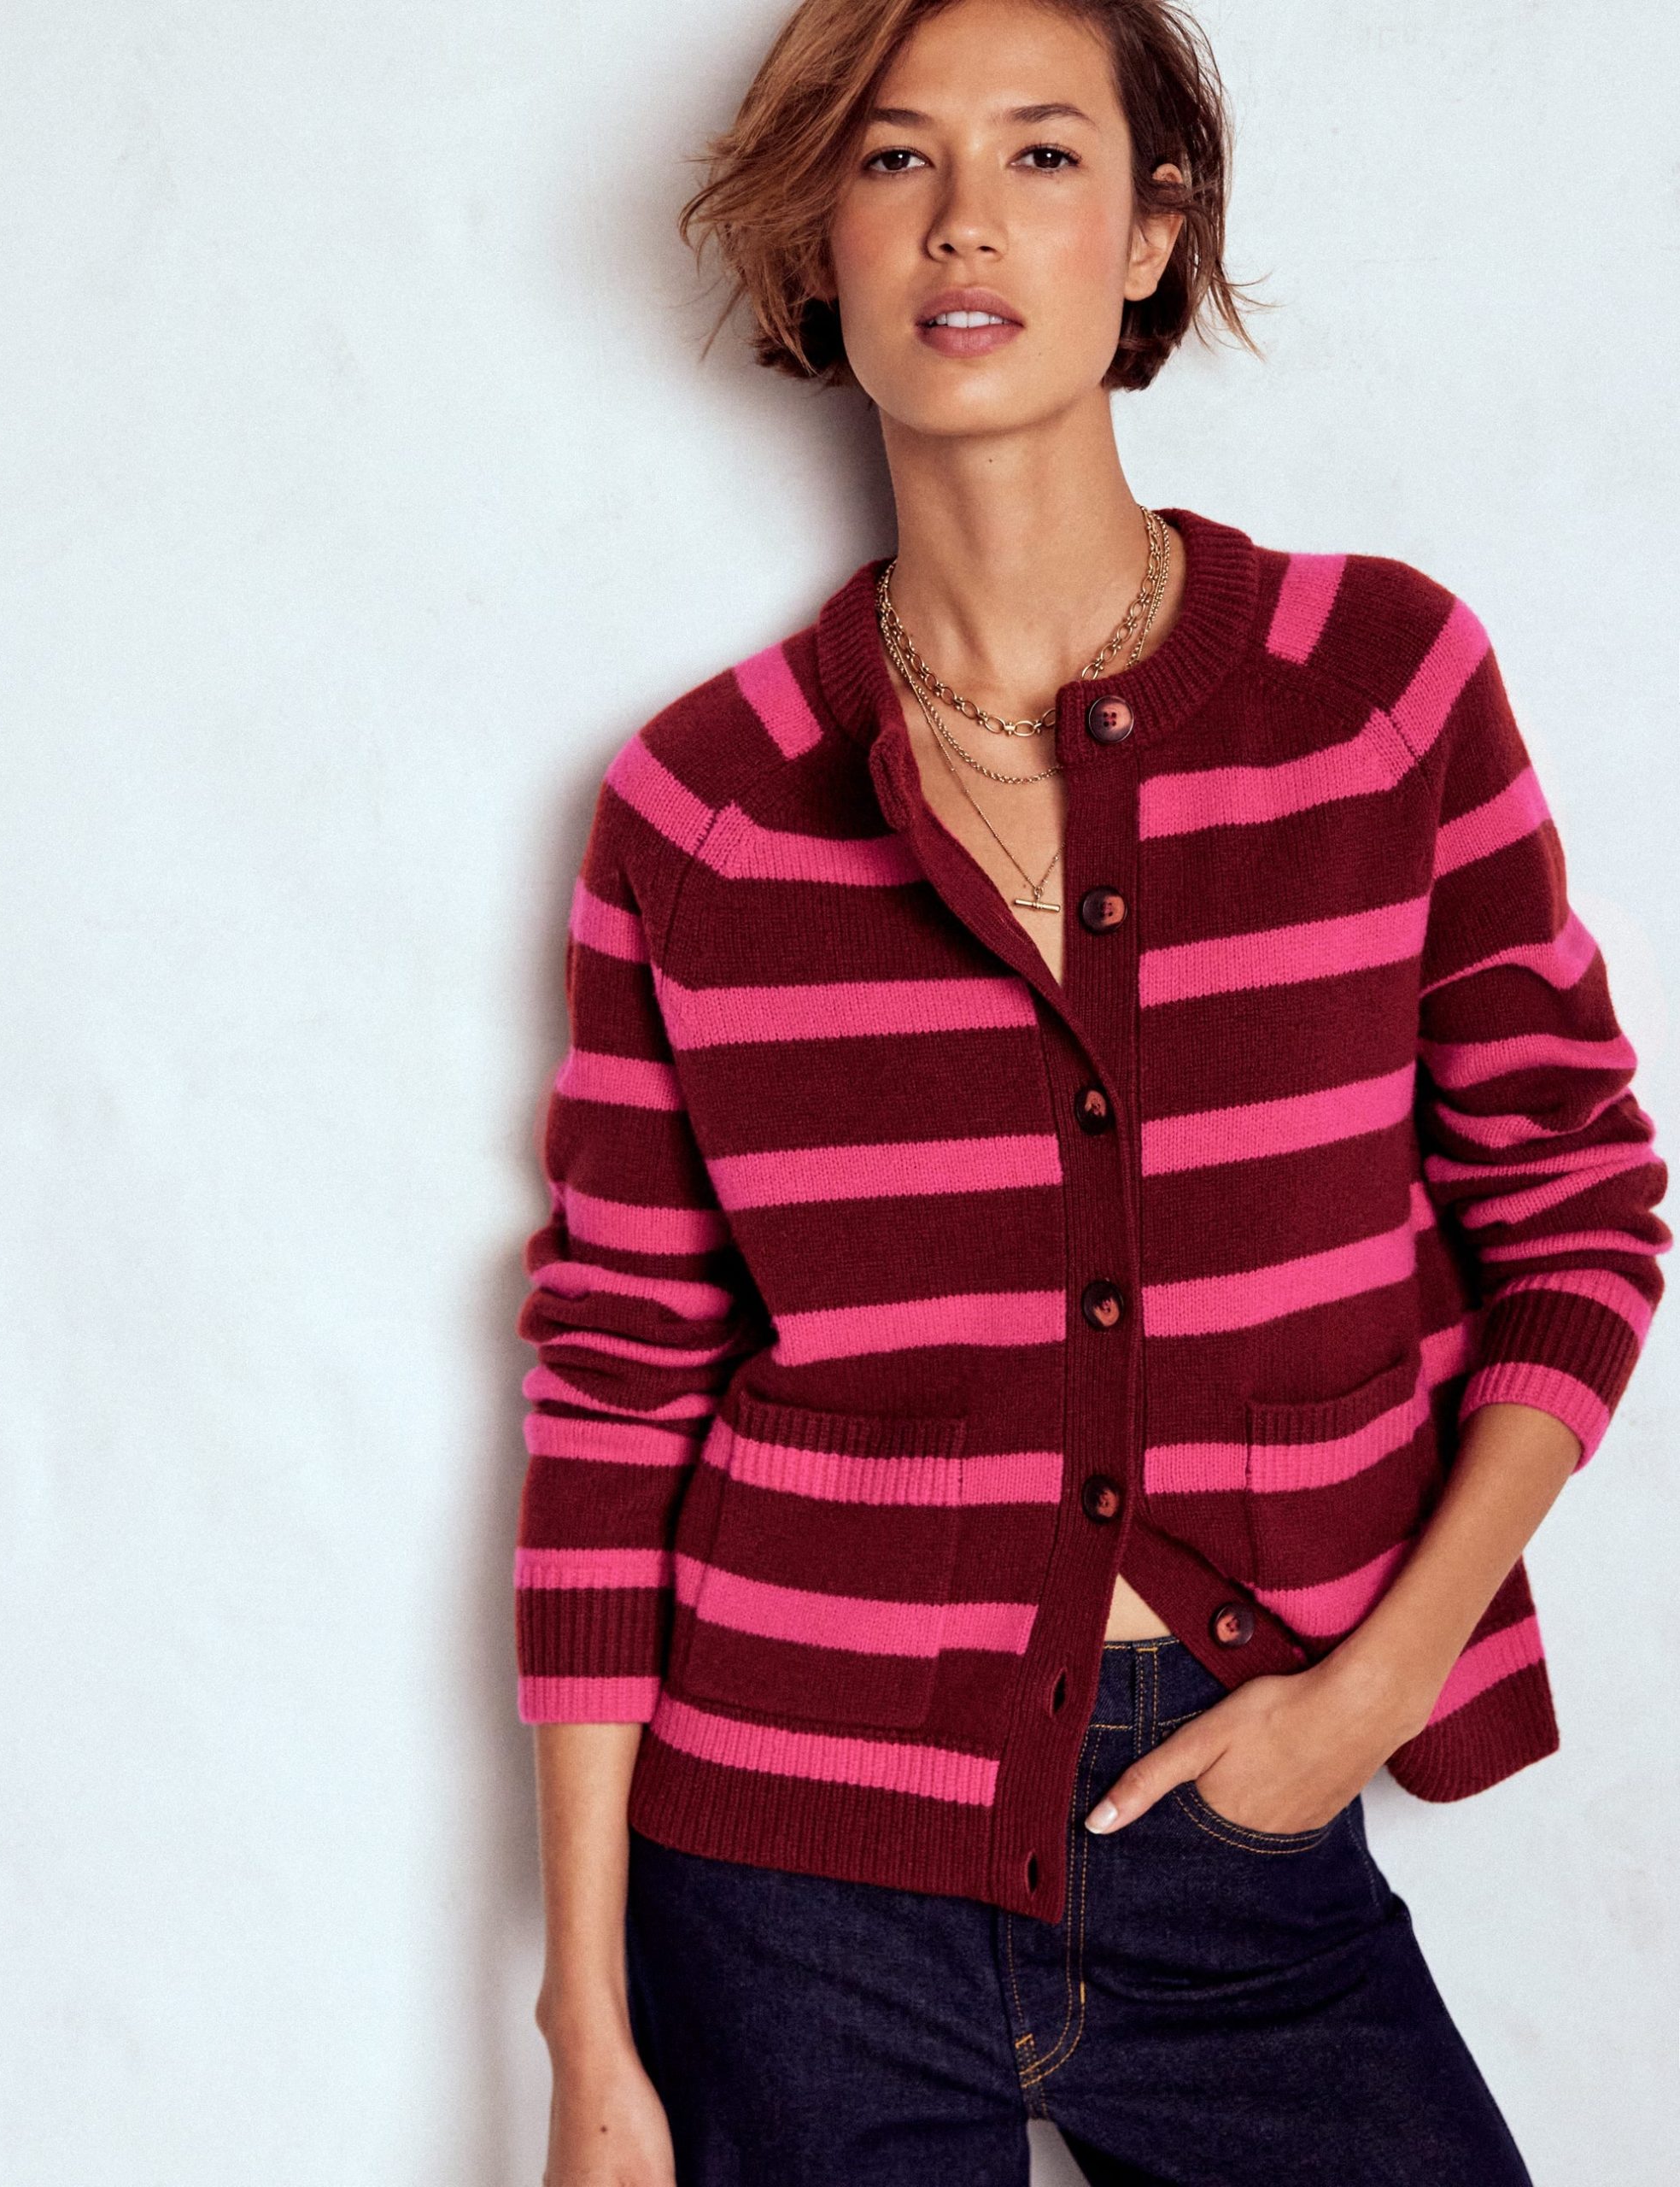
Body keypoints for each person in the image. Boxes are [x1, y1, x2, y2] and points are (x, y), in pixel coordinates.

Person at [512, 3, 1669, 2181]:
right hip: (790, 1876)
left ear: (1151, 234)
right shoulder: (706, 808)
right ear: (822, 246)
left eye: (1043, 155)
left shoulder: (1378, 692)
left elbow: (1578, 1208)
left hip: (1245, 1814)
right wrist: (590, 2024)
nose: (964, 219)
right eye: (892, 160)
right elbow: (615, 1384)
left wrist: (1372, 1686)